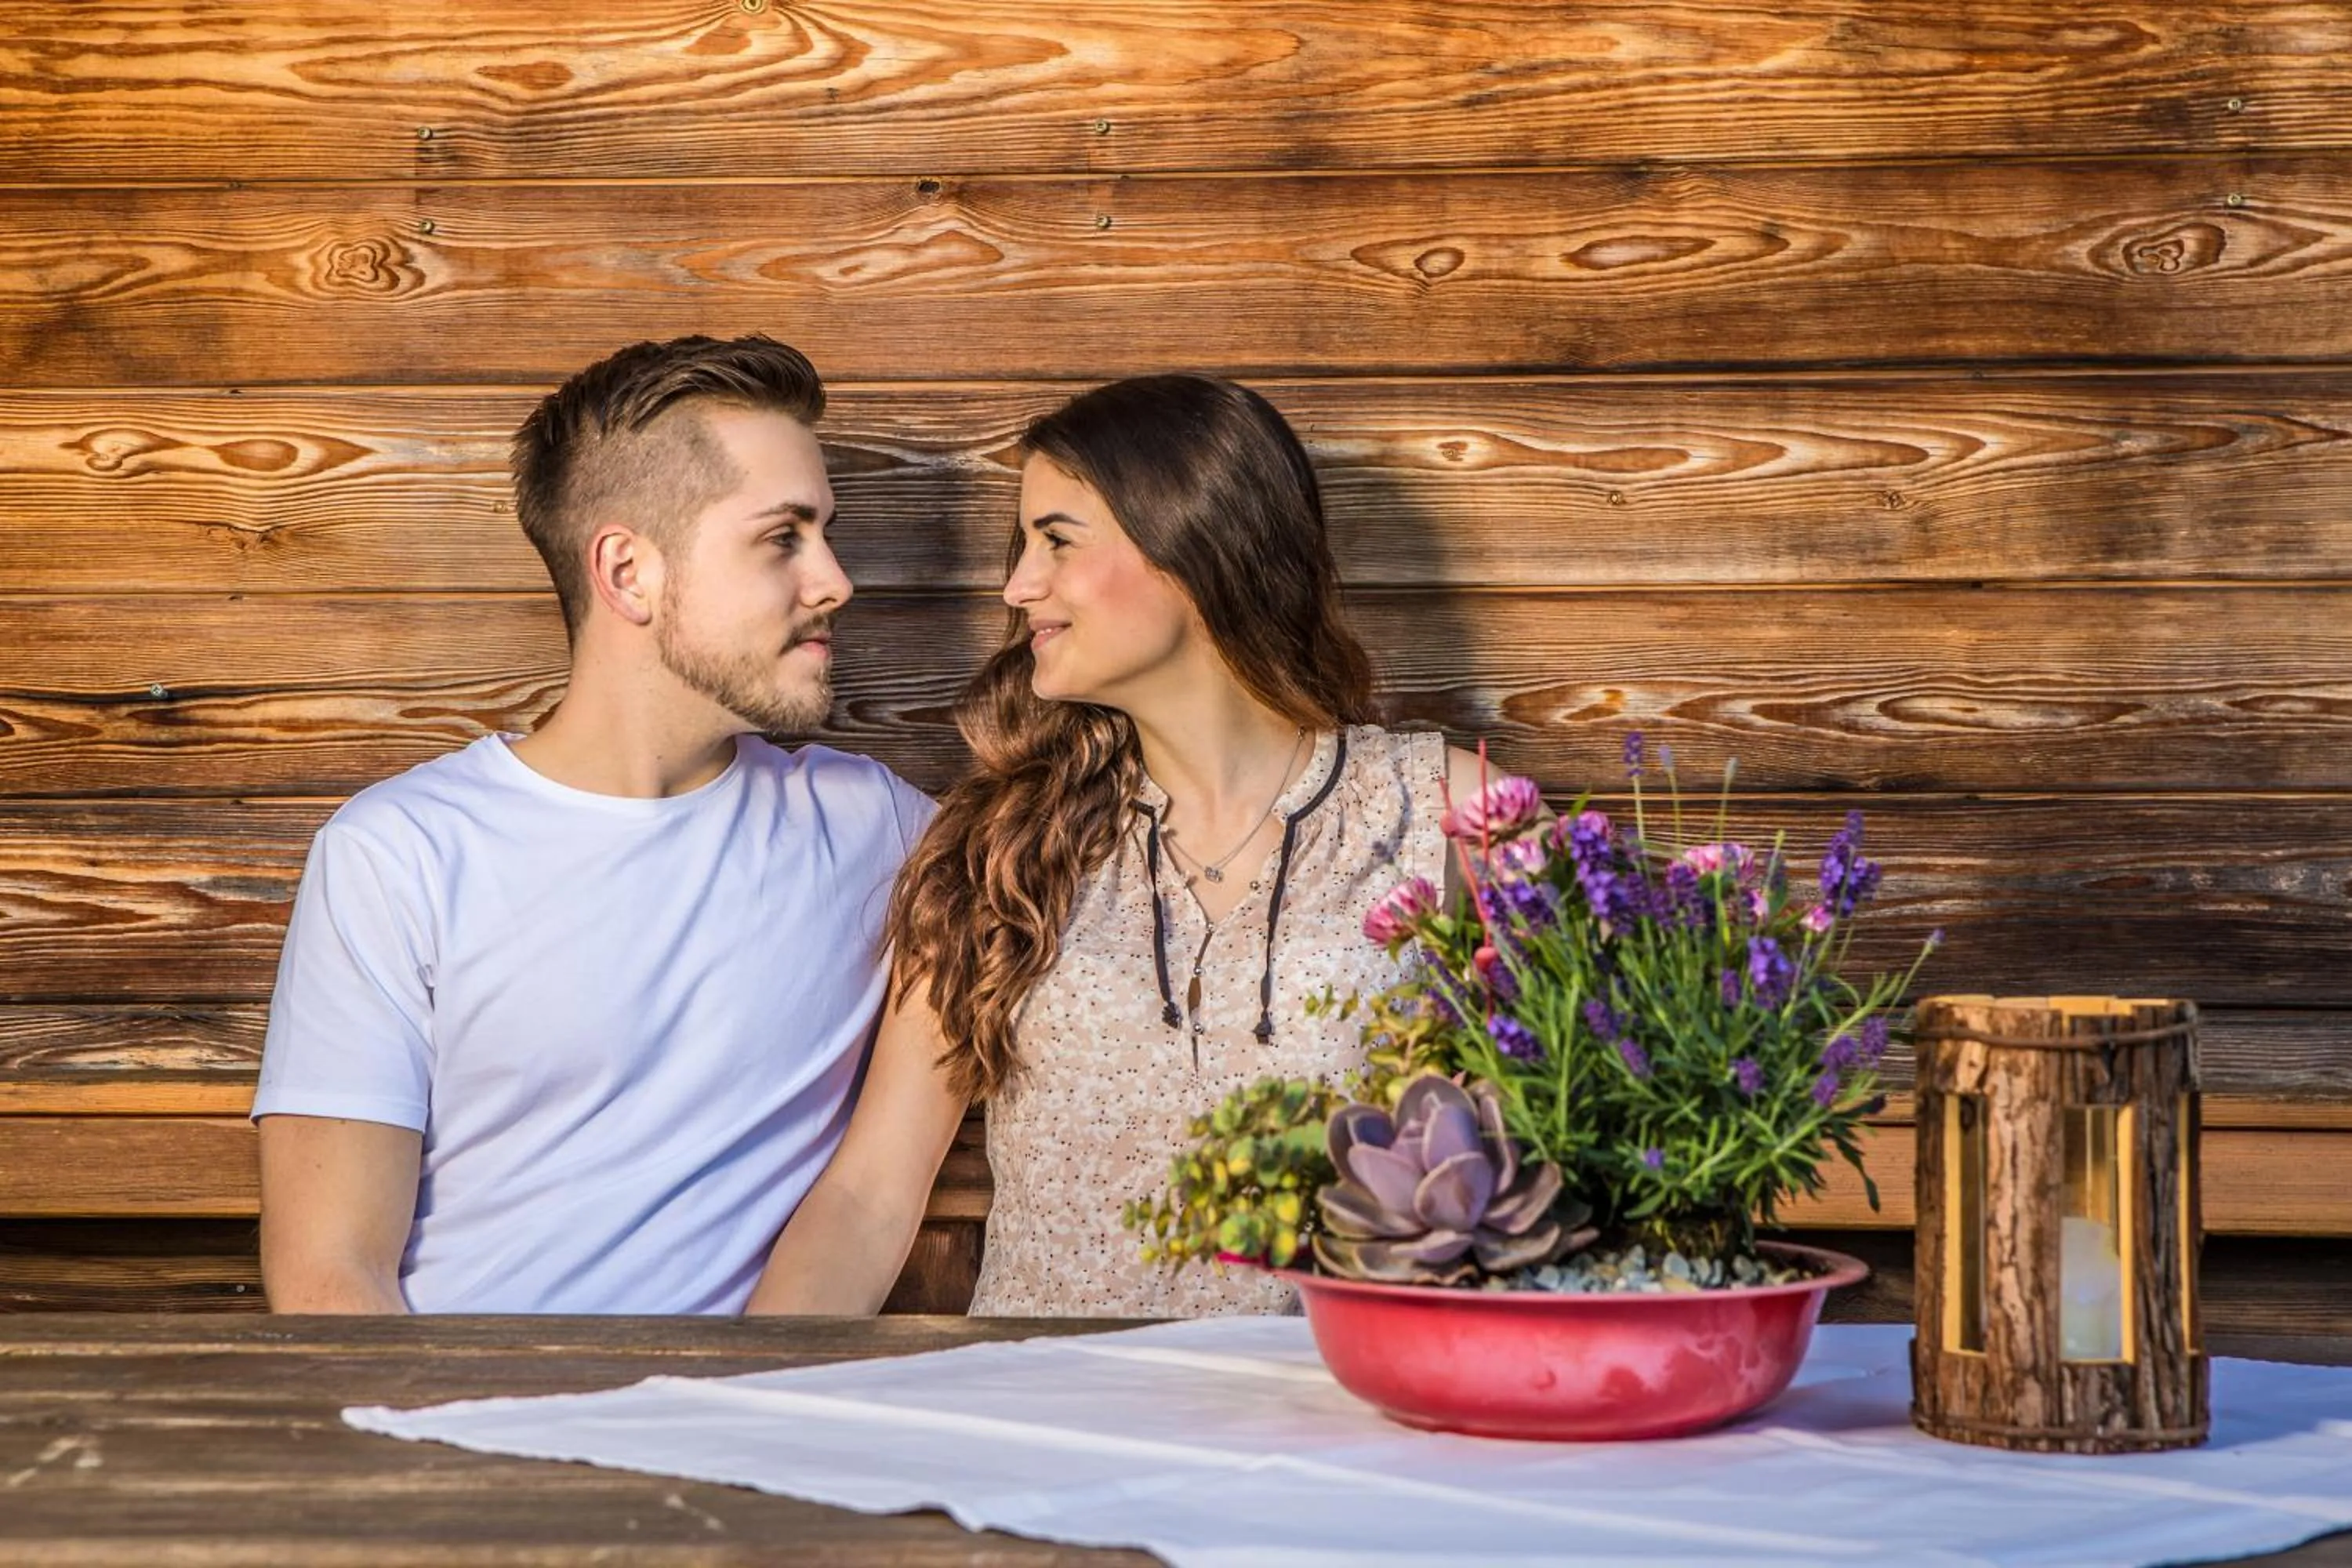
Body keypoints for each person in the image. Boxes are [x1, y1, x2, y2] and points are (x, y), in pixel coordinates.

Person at [748, 374, 1489, 1316]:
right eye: (1023, 547)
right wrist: (728, 1397)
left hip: (1326, 1432)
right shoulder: (1002, 844)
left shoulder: (1454, 813)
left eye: (1057, 539)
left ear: (1195, 541)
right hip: (1046, 1424)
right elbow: (869, 1195)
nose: (1019, 586)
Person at [253, 335, 931, 1314]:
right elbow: (331, 1274)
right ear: (629, 571)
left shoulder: (880, 832)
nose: (834, 580)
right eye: (782, 536)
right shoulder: (401, 853)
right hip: (456, 1429)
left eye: (823, 533)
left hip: (729, 1432)